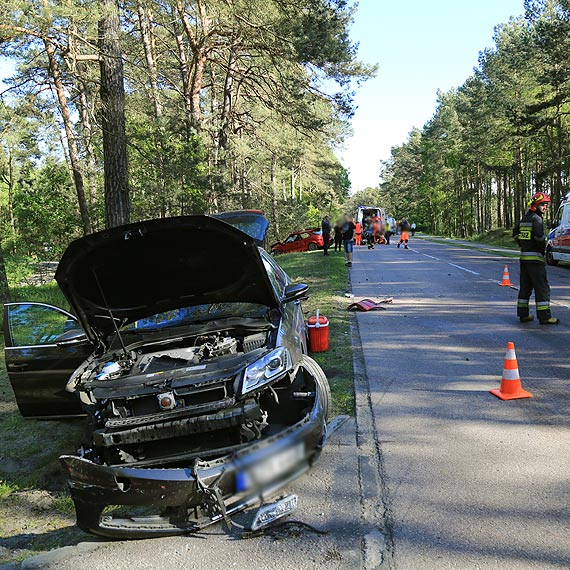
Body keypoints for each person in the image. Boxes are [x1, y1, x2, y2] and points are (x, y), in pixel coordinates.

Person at [513, 192, 559, 324]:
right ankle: (545, 317)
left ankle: (523, 315)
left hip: (524, 259)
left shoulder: (524, 219)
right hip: (536, 259)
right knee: (542, 288)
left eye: (546, 205)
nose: (545, 207)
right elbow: (540, 239)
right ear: (535, 205)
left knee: (525, 287)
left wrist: (522, 244)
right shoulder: (537, 219)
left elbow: (515, 233)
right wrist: (541, 249)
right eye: (543, 204)